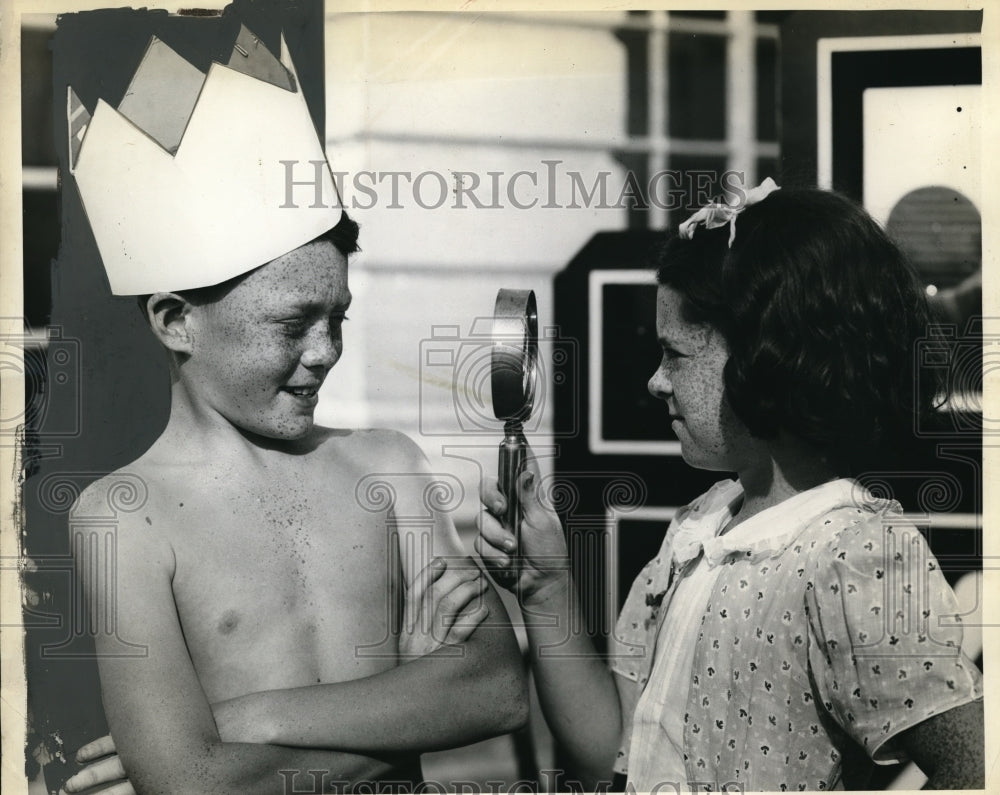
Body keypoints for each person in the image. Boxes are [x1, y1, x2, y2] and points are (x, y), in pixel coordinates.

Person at [61, 26, 526, 795]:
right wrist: (411, 698)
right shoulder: (123, 517)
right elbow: (193, 785)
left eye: (337, 317)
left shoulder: (387, 464)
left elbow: (497, 690)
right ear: (177, 319)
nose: (325, 351)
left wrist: (242, 717)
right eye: (292, 323)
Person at [476, 181, 985, 791]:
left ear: (769, 361)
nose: (655, 382)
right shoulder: (699, 527)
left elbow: (974, 765)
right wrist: (545, 585)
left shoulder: (855, 556)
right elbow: (611, 746)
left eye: (677, 356)